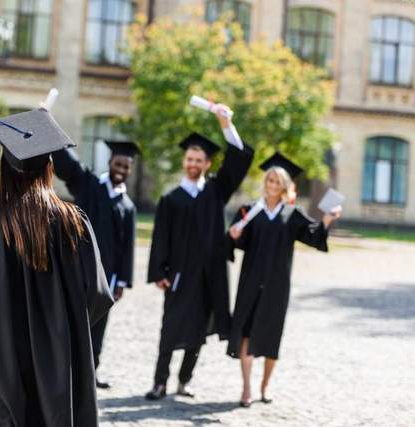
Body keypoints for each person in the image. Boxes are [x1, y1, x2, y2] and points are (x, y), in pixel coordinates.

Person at [0, 108, 114, 426]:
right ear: (49, 166)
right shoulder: (74, 222)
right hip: (64, 367)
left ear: (5, 169)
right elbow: (98, 296)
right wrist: (62, 328)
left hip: (4, 367)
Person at [145, 105, 254, 400]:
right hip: (179, 274)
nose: (192, 163)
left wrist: (226, 123)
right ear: (185, 161)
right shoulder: (171, 199)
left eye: (198, 160)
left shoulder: (216, 192)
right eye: (189, 158)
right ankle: (159, 382)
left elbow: (240, 158)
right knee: (170, 329)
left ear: (207, 163)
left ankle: (184, 381)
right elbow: (160, 238)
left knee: (198, 332)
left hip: (208, 275)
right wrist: (159, 272)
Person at [226, 153, 342, 407]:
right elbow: (238, 241)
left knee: (270, 335)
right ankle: (246, 388)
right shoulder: (249, 210)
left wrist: (326, 219)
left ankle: (264, 386)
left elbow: (313, 235)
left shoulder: (292, 213)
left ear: (284, 186)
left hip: (277, 286)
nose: (272, 186)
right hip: (250, 281)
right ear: (265, 183)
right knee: (245, 332)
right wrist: (234, 236)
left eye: (277, 182)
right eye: (269, 181)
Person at [53, 139, 139, 389]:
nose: (121, 169)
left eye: (126, 166)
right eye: (118, 163)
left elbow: (128, 247)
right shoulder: (89, 185)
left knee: (98, 327)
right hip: (76, 268)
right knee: (68, 321)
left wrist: (122, 281)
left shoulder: (128, 206)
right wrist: (47, 123)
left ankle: (89, 373)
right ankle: (60, 372)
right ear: (110, 163)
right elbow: (68, 164)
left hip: (107, 277)